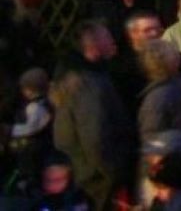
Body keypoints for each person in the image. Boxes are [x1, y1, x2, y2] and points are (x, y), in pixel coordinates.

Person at [51, 20, 134, 211]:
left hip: (85, 173)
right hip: (95, 179)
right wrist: (112, 173)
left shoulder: (80, 76)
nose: (113, 40)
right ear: (93, 45)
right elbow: (94, 136)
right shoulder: (87, 84)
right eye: (107, 37)